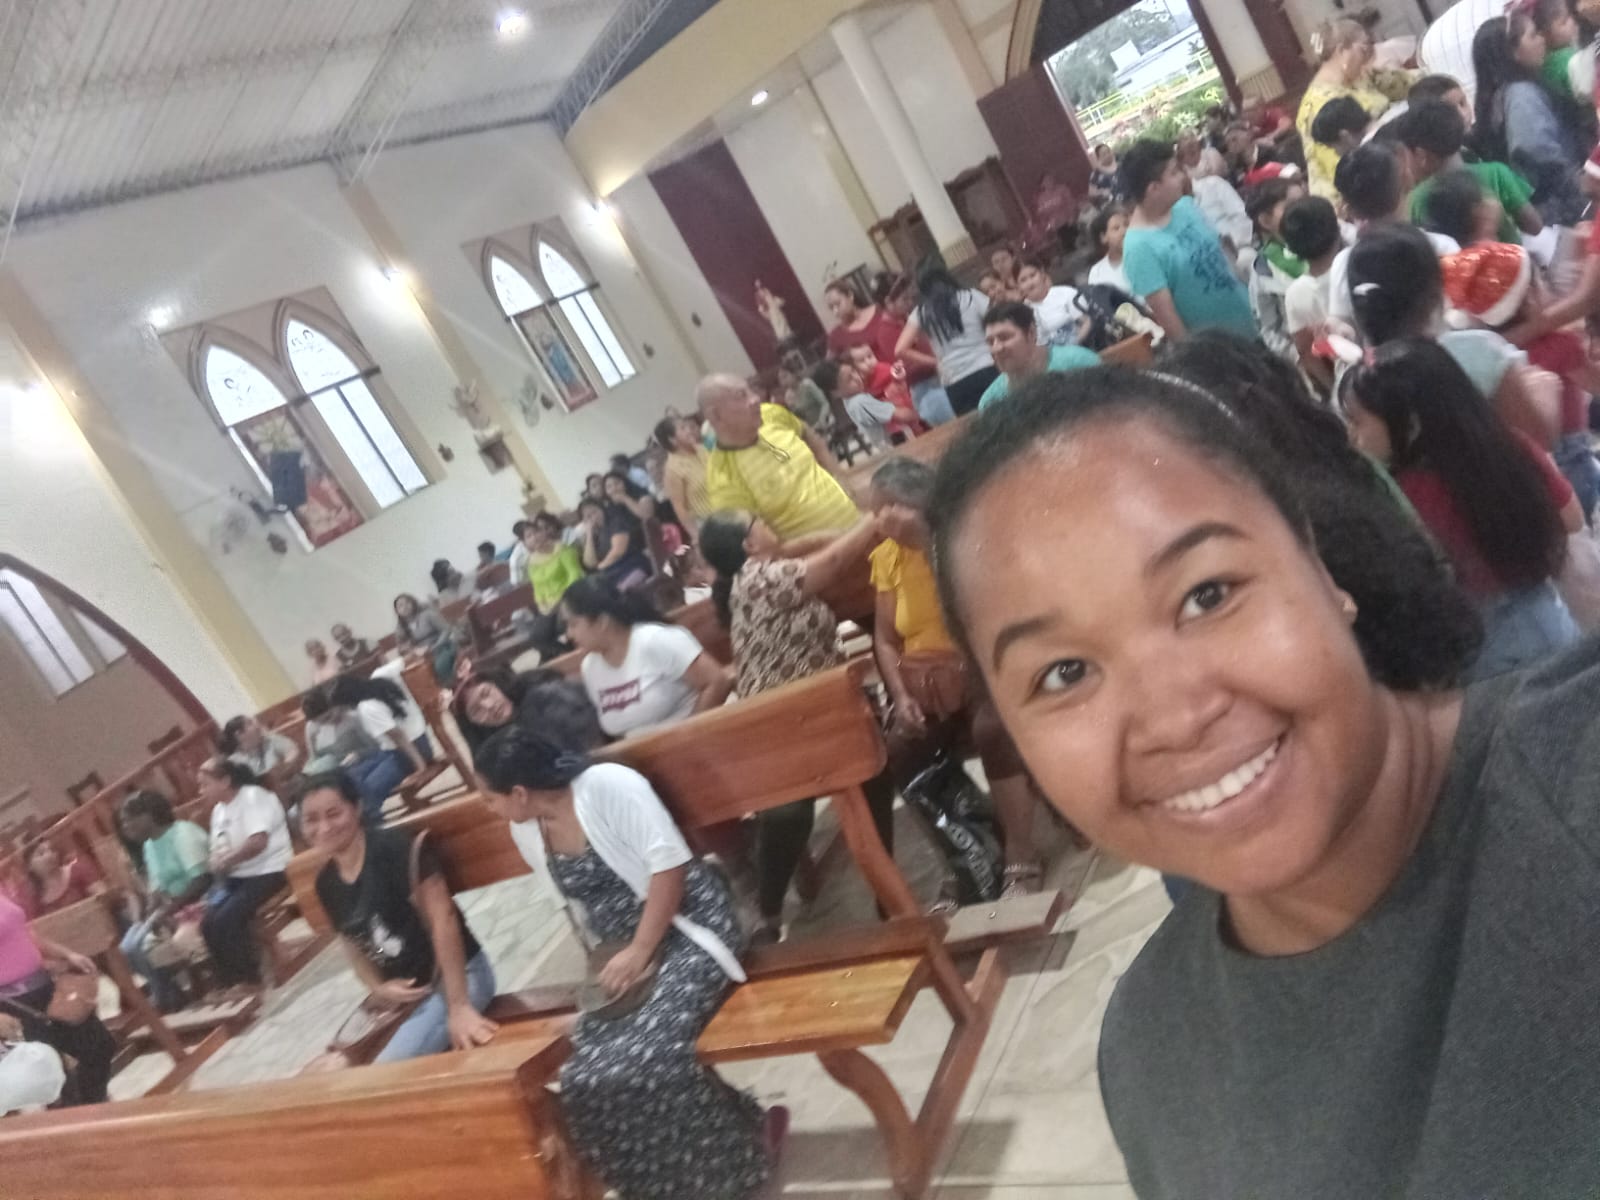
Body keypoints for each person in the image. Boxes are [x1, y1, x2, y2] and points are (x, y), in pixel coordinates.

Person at [924, 364, 1600, 1198]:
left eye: (1207, 595)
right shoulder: (1152, 1053)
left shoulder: (1575, 770)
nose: (1174, 717)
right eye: (1064, 673)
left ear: (1320, 570)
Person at [475, 726, 778, 1200]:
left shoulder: (609, 786)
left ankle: (730, 1172)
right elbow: (576, 910)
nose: (487, 807)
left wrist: (640, 949)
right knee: (585, 1076)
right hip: (618, 953)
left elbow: (669, 867)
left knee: (650, 1055)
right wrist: (603, 980)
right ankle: (662, 1185)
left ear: (519, 792)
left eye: (489, 798)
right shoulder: (526, 829)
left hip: (686, 927)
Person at [699, 510, 893, 938]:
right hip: (787, 725)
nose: (768, 524)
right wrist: (872, 520)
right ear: (748, 545)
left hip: (814, 713)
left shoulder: (761, 572)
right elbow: (833, 563)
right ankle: (771, 912)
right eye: (758, 522)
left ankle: (888, 899)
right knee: (792, 812)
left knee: (874, 772)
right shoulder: (758, 579)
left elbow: (814, 550)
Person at [1342, 338, 1581, 678]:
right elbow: (1572, 518)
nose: (1351, 437)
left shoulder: (1401, 495)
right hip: (1545, 618)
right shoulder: (1505, 446)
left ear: (1410, 424)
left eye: (1356, 422)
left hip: (1481, 649)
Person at [867, 458, 1042, 897]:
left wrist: (926, 542)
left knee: (991, 728)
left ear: (917, 502)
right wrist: (900, 695)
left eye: (888, 507)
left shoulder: (961, 535)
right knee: (899, 750)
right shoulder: (886, 557)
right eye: (875, 510)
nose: (880, 520)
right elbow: (885, 638)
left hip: (980, 664)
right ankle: (967, 852)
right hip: (926, 680)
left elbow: (983, 605)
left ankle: (1021, 853)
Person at [302, 772, 496, 1063]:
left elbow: (443, 919)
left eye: (334, 814)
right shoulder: (326, 883)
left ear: (357, 808)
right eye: (311, 820)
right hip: (405, 999)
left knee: (385, 1071)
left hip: (457, 978)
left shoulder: (395, 849)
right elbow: (352, 943)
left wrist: (459, 1006)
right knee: (339, 1065)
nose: (324, 827)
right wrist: (377, 987)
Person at [1346, 222, 1558, 449]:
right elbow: (1540, 439)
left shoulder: (1355, 384)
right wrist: (1547, 391)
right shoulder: (1478, 353)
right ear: (1436, 291)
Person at [1438, 240, 1600, 519]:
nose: (1547, 286)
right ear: (1528, 299)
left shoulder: (1487, 353)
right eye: (1541, 280)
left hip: (1525, 464)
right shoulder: (1561, 344)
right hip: (1572, 460)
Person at [562, 576, 733, 739]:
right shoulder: (590, 667)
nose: (569, 634)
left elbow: (717, 682)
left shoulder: (656, 640)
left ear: (602, 622)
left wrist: (688, 735)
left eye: (573, 624)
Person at [1120, 140, 1256, 341]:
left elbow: (1224, 258)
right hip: (1221, 347)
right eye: (1174, 173)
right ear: (1154, 188)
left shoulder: (1185, 206)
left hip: (1253, 319)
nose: (1182, 177)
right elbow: (1170, 321)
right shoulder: (1139, 248)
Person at [698, 373, 859, 539]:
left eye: (750, 391)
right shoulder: (723, 477)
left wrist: (841, 479)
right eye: (741, 396)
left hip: (857, 525)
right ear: (716, 415)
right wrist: (824, 542)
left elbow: (807, 433)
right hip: (830, 550)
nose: (755, 399)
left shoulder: (770, 414)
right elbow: (759, 544)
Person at [1325, 142, 1461, 331]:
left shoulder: (1344, 263)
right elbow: (1462, 314)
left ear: (1348, 206)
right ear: (1406, 179)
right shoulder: (1442, 248)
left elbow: (1342, 328)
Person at [0, 885, 114, 1105]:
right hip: (13, 1003)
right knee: (51, 1076)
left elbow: (25, 932)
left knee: (100, 1045)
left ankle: (89, 1110)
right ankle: (83, 1116)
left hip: (44, 986)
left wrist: (67, 954)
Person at [1472, 11, 1586, 225]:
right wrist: (1577, 182)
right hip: (1562, 206)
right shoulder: (1521, 95)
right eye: (1533, 35)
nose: (1542, 39)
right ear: (1512, 52)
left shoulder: (1504, 94)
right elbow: (1534, 148)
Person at [196, 757, 291, 994]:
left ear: (225, 781)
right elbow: (218, 846)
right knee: (207, 923)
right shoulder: (218, 811)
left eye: (205, 784)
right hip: (239, 876)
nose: (201, 791)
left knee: (228, 918)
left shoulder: (253, 797)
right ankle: (229, 982)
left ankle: (249, 979)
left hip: (270, 869)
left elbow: (258, 841)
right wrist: (216, 860)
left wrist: (228, 860)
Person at [1297, 17, 1412, 198]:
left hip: (1390, 162)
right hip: (1358, 189)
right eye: (1363, 50)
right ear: (1342, 50)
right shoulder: (1316, 105)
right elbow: (1338, 163)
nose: (1367, 59)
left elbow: (1406, 83)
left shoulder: (1360, 77)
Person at [118, 790, 210, 1012]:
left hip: (203, 898)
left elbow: (202, 880)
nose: (125, 827)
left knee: (166, 940)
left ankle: (174, 996)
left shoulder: (182, 833)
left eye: (129, 820)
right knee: (129, 947)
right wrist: (151, 912)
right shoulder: (150, 845)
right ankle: (171, 993)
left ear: (148, 816)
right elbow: (157, 887)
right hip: (176, 907)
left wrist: (168, 911)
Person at [1400, 98, 1540, 243]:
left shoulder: (1414, 201)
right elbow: (1534, 227)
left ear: (1421, 155)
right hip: (1512, 256)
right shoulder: (1496, 173)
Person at [326, 673, 433, 821]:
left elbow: (398, 736)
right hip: (407, 746)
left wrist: (420, 765)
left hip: (409, 752)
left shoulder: (367, 708)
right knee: (350, 775)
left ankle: (375, 824)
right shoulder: (379, 685)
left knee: (369, 789)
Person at [894, 266, 998, 417]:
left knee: (976, 424)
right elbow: (996, 318)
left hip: (954, 380)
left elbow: (900, 349)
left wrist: (936, 361)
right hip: (986, 366)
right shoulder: (970, 296)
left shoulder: (922, 312)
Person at [450, 664, 604, 754]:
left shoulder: (545, 696)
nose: (489, 706)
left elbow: (591, 743)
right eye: (477, 711)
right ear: (474, 724)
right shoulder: (496, 747)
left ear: (497, 683)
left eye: (486, 693)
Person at [977, 301, 1100, 411]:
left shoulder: (1078, 363)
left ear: (1031, 333)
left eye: (1005, 337)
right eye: (990, 342)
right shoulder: (991, 402)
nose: (997, 348)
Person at [1279, 196, 1343, 395]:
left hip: (1349, 379)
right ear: (1337, 230)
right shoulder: (1355, 265)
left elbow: (1306, 351)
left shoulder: (1295, 294)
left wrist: (1334, 390)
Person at [517, 512, 584, 658]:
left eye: (536, 532)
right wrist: (542, 606)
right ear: (525, 543)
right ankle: (569, 654)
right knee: (537, 637)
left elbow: (575, 575)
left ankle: (578, 650)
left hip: (571, 597)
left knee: (561, 625)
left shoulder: (562, 549)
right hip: (549, 607)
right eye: (529, 536)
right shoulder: (531, 562)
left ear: (543, 532)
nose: (534, 537)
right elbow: (538, 589)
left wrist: (560, 600)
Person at [811, 358, 910, 450]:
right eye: (849, 379)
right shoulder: (860, 402)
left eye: (853, 371)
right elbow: (903, 415)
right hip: (897, 445)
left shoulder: (850, 401)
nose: (857, 377)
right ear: (835, 393)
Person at [577, 496, 652, 592]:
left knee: (618, 593)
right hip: (612, 574)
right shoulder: (595, 535)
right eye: (588, 517)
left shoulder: (615, 522)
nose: (593, 517)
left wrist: (601, 568)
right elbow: (590, 563)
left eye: (594, 512)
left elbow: (618, 551)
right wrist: (589, 535)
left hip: (633, 566)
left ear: (601, 509)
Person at [655, 415, 712, 538]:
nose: (689, 430)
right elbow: (679, 508)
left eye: (687, 426)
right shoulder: (672, 470)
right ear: (672, 440)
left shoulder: (701, 449)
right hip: (710, 523)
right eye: (683, 428)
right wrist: (696, 535)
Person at [18, 841, 102, 919]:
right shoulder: (35, 899)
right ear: (29, 866)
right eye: (41, 853)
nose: (49, 855)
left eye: (51, 850)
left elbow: (103, 897)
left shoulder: (78, 870)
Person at [218, 714, 303, 789]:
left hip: (288, 786)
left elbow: (293, 751)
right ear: (239, 734)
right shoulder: (234, 763)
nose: (257, 725)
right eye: (250, 723)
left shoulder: (271, 739)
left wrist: (282, 769)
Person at [1015, 256, 1084, 345]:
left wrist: (1072, 346)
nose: (1030, 283)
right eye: (1023, 280)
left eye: (1033, 275)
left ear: (1042, 273)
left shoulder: (1066, 293)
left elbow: (1086, 323)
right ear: (1018, 286)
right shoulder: (1021, 312)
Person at [393, 592, 457, 686]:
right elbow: (401, 648)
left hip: (443, 647)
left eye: (407, 603)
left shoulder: (427, 614)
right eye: (400, 606)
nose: (405, 607)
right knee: (414, 675)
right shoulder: (401, 628)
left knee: (438, 668)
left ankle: (451, 688)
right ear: (397, 611)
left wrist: (434, 647)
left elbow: (446, 630)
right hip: (422, 656)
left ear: (413, 603)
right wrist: (414, 650)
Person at [1087, 205, 1132, 293]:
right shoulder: (1097, 273)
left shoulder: (1143, 256)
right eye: (1116, 228)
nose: (1124, 231)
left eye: (1126, 225)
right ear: (1103, 237)